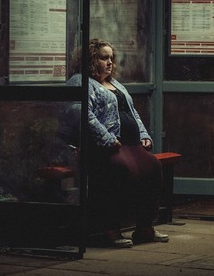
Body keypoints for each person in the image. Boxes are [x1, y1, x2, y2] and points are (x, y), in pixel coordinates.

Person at [66, 39, 169, 248]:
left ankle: (144, 228)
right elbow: (82, 115)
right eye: (104, 58)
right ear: (92, 59)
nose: (110, 62)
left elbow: (132, 113)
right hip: (106, 147)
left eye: (111, 58)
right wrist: (107, 139)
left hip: (131, 145)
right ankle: (110, 230)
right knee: (121, 171)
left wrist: (143, 134)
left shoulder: (115, 84)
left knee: (153, 167)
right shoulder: (80, 82)